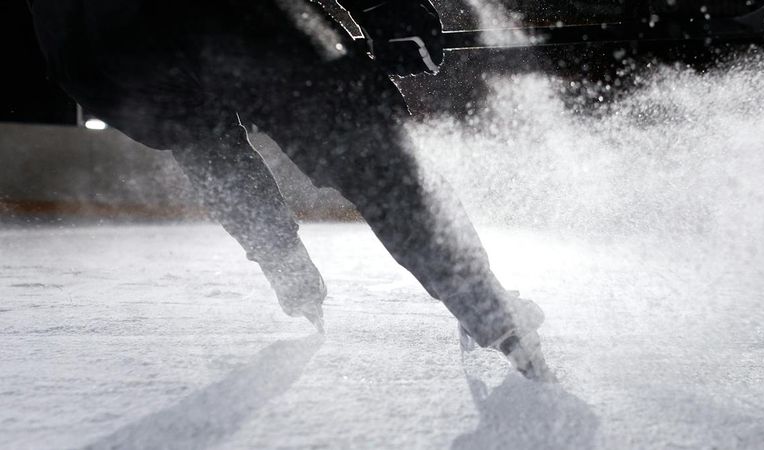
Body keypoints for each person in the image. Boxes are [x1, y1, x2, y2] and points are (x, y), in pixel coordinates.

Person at [26, 0, 554, 381]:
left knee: (207, 144)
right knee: (365, 143)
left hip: (96, 49)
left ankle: (286, 266)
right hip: (222, 15)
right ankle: (485, 306)